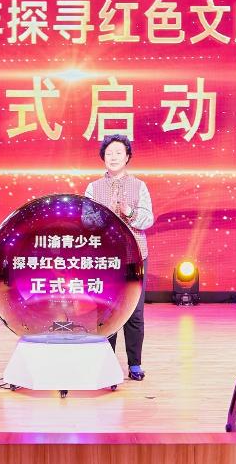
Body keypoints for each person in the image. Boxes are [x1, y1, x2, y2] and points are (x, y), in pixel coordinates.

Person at [84, 134, 153, 381]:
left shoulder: (139, 186)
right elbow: (85, 222)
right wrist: (104, 214)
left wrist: (129, 212)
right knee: (106, 311)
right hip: (105, 259)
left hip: (134, 256)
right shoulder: (93, 188)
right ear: (103, 157)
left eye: (118, 153)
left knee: (134, 312)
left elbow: (148, 219)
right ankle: (107, 364)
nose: (113, 157)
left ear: (127, 157)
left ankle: (135, 364)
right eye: (109, 153)